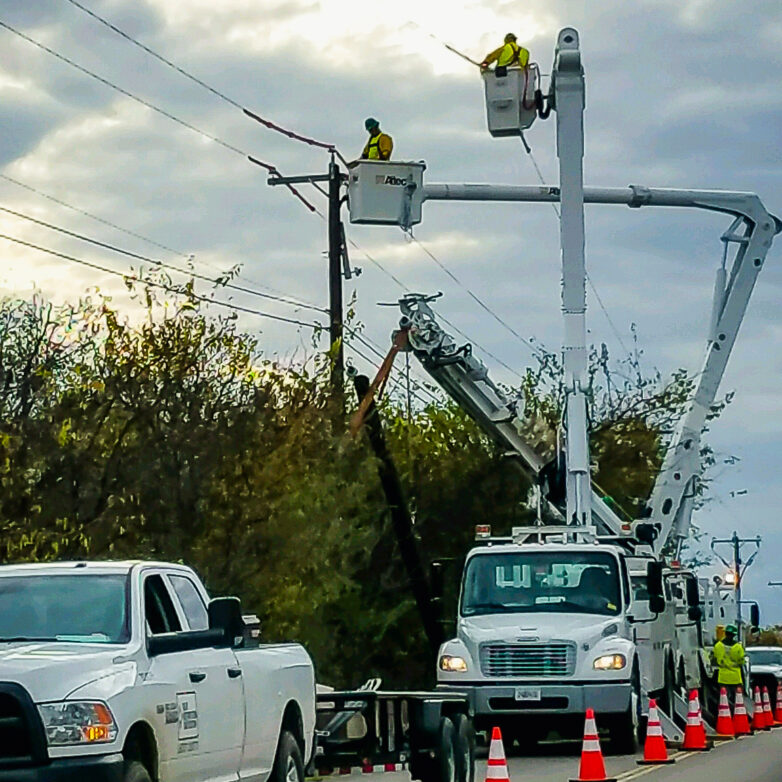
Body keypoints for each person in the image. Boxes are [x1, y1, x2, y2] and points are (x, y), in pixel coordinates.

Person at [713, 624, 745, 704]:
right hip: (736, 677)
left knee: (724, 699)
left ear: (725, 633)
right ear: (734, 635)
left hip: (723, 677)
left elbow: (715, 659)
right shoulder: (738, 647)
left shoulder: (718, 646)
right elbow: (741, 661)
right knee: (737, 700)